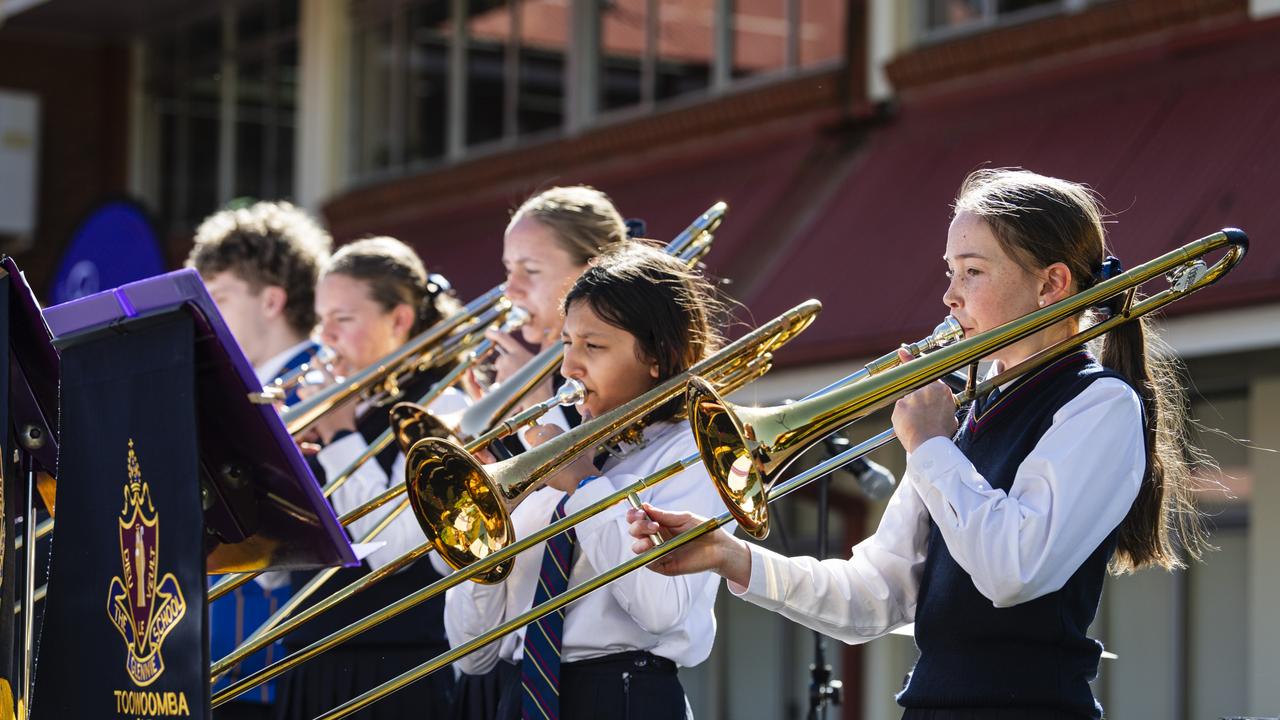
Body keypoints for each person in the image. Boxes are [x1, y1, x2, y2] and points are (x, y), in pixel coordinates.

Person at [627, 168, 1210, 720]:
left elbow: (1013, 571)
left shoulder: (1099, 405)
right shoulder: (968, 411)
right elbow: (876, 595)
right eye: (949, 272)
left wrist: (931, 448)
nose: (950, 297)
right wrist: (732, 557)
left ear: (1051, 283)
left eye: (973, 272)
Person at [444, 244, 730, 720]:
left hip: (623, 695)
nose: (568, 369)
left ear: (657, 357)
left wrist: (585, 487)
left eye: (593, 347)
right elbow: (473, 653)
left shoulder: (695, 452)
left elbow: (660, 612)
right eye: (566, 344)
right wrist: (485, 543)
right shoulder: (559, 446)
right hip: (523, 696)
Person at [275, 236, 466, 720]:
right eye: (322, 321)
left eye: (343, 319)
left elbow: (394, 550)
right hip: (309, 659)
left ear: (399, 319)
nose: (326, 337)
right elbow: (274, 573)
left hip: (398, 669)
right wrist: (276, 470)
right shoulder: (327, 409)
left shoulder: (442, 405)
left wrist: (339, 435)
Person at [187, 200, 332, 720]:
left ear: (272, 300)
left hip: (267, 672)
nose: (201, 317)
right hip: (214, 664)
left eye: (218, 298)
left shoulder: (315, 388)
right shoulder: (230, 391)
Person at [480, 185, 629, 437]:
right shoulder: (549, 360)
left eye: (531, 270)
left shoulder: (621, 366)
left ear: (591, 271)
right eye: (509, 270)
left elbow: (598, 472)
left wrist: (536, 396)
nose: (510, 291)